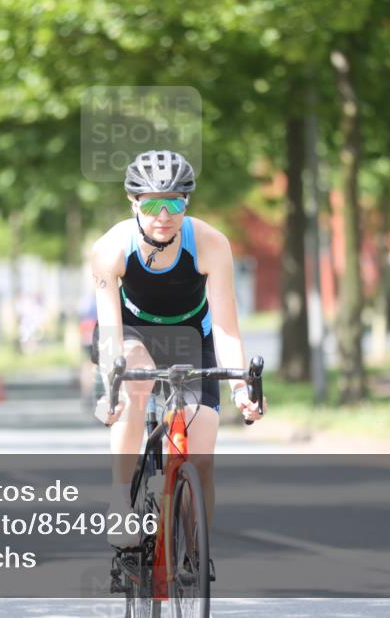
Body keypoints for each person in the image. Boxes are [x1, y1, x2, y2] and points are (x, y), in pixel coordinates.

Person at [89, 150, 263, 547]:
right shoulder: (110, 248)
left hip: (191, 333)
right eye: (151, 203)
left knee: (201, 460)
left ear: (187, 202)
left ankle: (195, 556)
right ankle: (120, 503)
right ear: (133, 202)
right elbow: (111, 331)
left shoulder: (210, 244)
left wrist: (240, 390)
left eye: (174, 202)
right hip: (130, 330)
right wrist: (110, 388)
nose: (163, 214)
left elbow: (225, 326)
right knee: (134, 384)